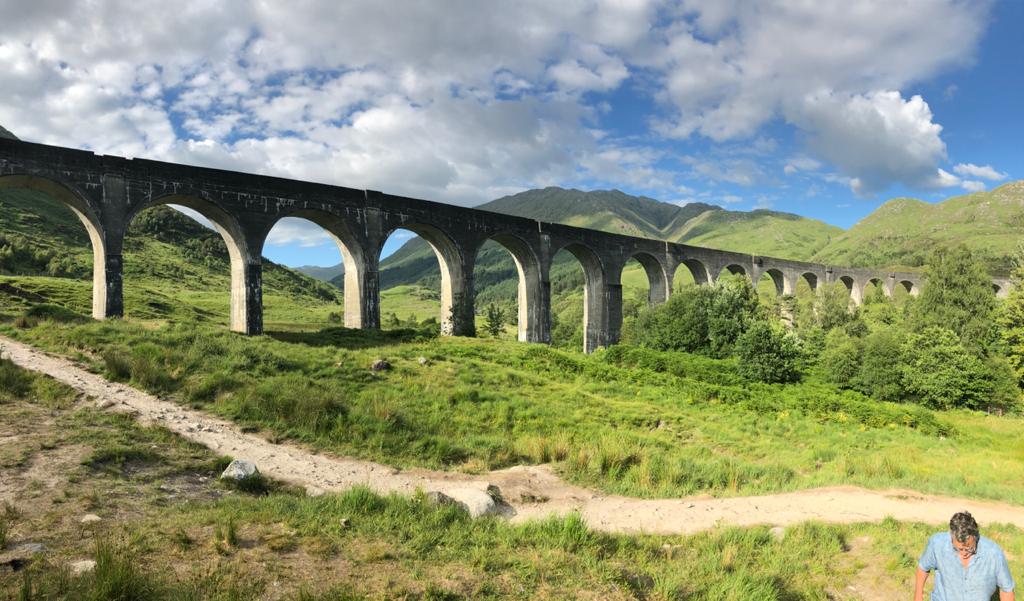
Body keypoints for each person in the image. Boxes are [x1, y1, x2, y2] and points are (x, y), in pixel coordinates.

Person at [915, 511, 1015, 600]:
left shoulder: (993, 553)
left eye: (969, 549)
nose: (963, 554)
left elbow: (1007, 589)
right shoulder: (937, 544)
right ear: (951, 536)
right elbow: (923, 567)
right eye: (958, 549)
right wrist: (918, 596)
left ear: (976, 537)